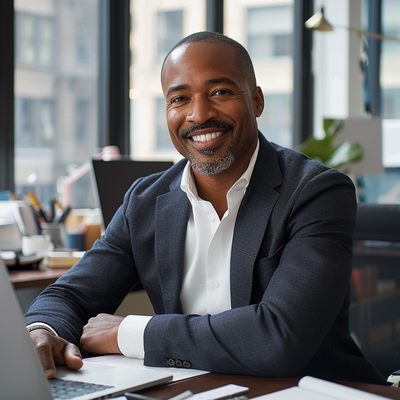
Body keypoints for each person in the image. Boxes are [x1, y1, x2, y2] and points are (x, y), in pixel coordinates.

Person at [25, 31, 385, 384]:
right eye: (179, 99)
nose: (199, 114)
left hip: (310, 391)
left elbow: (280, 337)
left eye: (220, 92)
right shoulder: (146, 201)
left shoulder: (316, 191)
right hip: (193, 390)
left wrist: (129, 332)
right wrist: (41, 331)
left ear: (256, 101)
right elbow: (69, 294)